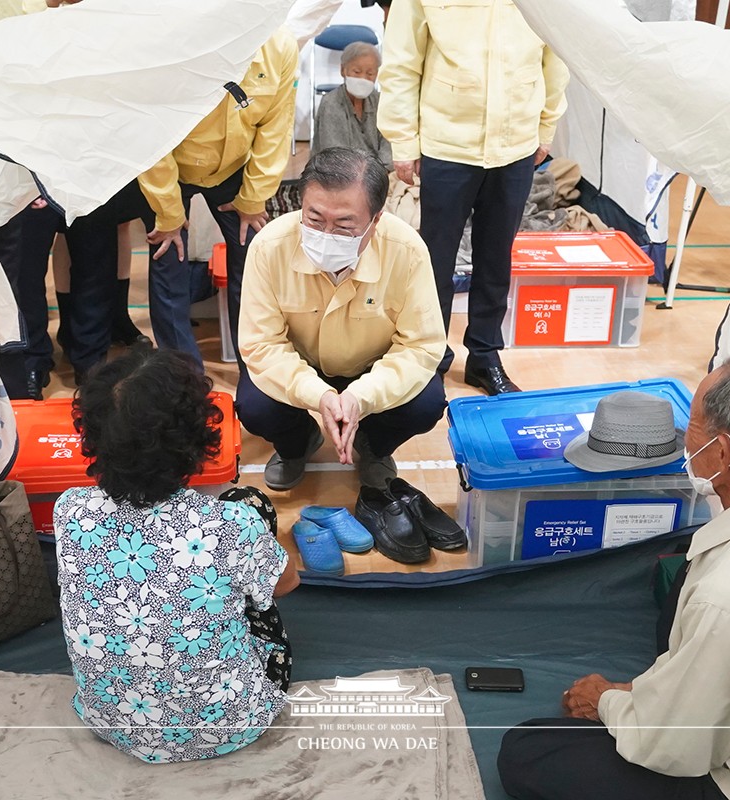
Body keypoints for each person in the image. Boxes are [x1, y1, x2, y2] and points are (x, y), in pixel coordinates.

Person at [497, 355, 730, 800]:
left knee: (528, 751)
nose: (687, 438)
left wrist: (607, 701)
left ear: (723, 452)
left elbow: (675, 748)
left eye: (693, 422)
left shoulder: (729, 597)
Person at [53, 347, 300, 763]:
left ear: (92, 435)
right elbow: (289, 583)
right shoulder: (230, 523)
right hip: (232, 723)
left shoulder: (69, 509)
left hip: (112, 720)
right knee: (252, 503)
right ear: (195, 436)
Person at [378, 0, 569, 394]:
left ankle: (484, 355)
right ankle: (429, 355)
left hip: (515, 142)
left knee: (496, 258)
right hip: (446, 143)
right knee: (434, 260)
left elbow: (557, 55)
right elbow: (401, 60)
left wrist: (545, 126)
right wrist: (403, 140)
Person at [236, 147, 446, 491]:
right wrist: (317, 394)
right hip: (303, 363)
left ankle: (373, 446)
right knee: (255, 405)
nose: (326, 234)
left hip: (371, 366)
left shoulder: (407, 250)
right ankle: (297, 444)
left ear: (375, 220)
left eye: (345, 225)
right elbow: (262, 344)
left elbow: (420, 347)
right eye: (315, 220)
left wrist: (361, 397)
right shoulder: (269, 247)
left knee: (426, 403)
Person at [138, 27, 297, 366]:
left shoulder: (279, 46)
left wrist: (253, 199)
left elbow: (276, 129)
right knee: (167, 255)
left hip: (234, 166)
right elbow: (150, 133)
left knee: (252, 254)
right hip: (170, 162)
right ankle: (182, 375)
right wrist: (168, 213)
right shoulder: (167, 43)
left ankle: (256, 366)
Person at [313, 42, 392, 170]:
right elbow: (333, 155)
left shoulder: (379, 101)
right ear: (343, 70)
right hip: (340, 173)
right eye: (357, 72)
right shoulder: (331, 103)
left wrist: (381, 173)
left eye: (370, 73)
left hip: (377, 172)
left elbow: (387, 145)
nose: (363, 78)